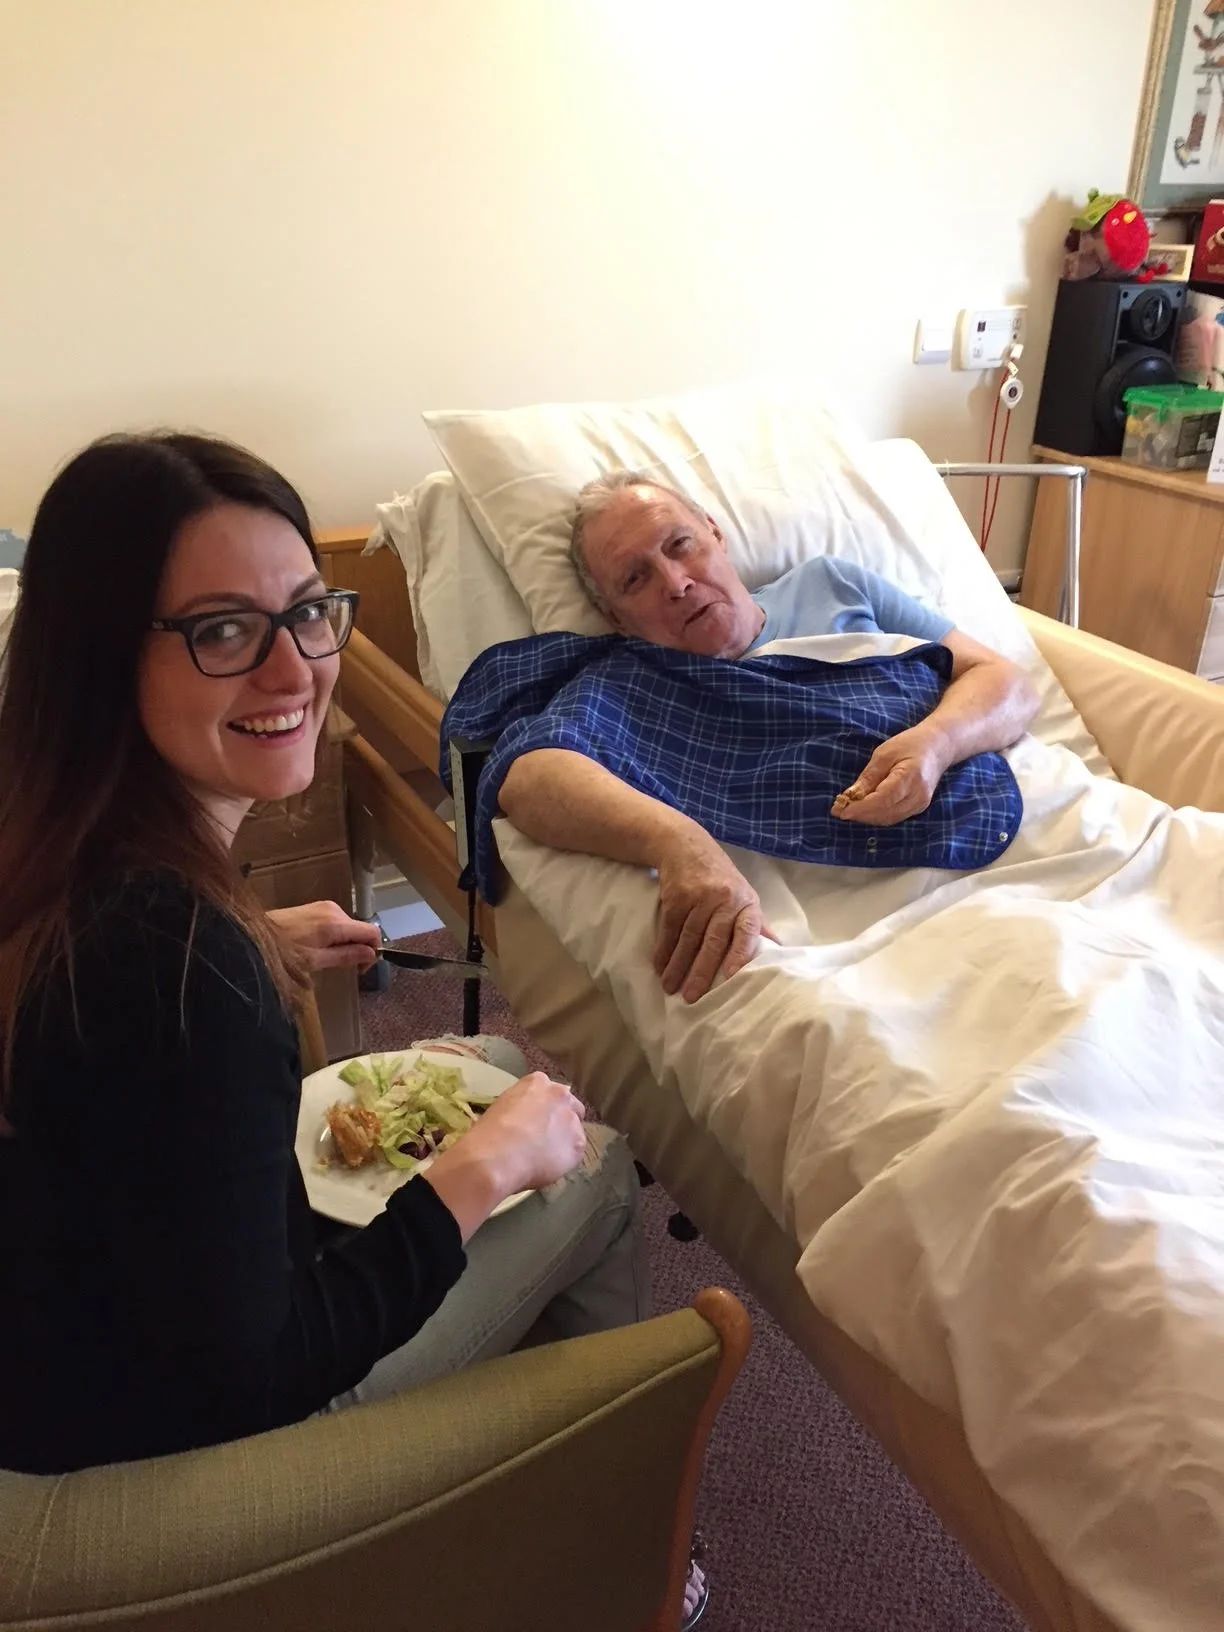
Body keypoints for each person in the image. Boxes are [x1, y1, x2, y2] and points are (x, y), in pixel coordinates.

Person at [0, 435, 654, 1484]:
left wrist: (258, 941)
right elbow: (253, 1377)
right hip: (163, 1451)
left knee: (474, 1053)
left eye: (308, 610)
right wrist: (479, 1171)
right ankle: (611, 1531)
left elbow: (105, 1041)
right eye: (221, 630)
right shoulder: (177, 966)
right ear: (100, 656)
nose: (294, 666)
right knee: (595, 1164)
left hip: (69, 1333)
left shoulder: (56, 844)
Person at [499, 470, 1040, 1004]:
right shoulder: (630, 682)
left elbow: (1005, 682)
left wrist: (935, 744)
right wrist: (678, 843)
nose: (677, 582)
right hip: (859, 922)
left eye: (680, 544)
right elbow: (528, 778)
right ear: (613, 617)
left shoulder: (831, 583)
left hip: (1013, 847)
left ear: (715, 531)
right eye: (636, 579)